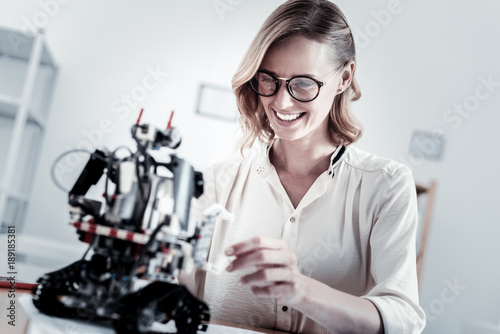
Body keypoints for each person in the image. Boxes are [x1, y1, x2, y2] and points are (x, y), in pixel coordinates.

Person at [180, 0, 426, 333]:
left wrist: (300, 290)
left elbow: (402, 320)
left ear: (344, 78)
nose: (280, 102)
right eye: (269, 79)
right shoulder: (219, 178)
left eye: (304, 83)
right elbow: (179, 295)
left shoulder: (386, 185)